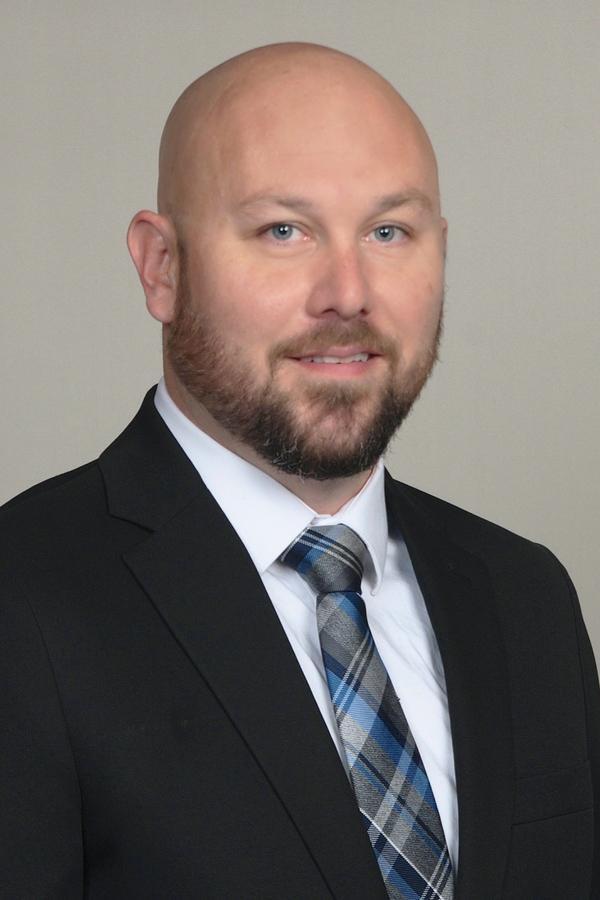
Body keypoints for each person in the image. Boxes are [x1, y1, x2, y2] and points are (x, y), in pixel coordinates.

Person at [1, 42, 597, 900]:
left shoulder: (526, 596)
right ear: (162, 267)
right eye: (283, 231)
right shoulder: (22, 601)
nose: (348, 292)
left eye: (389, 232)